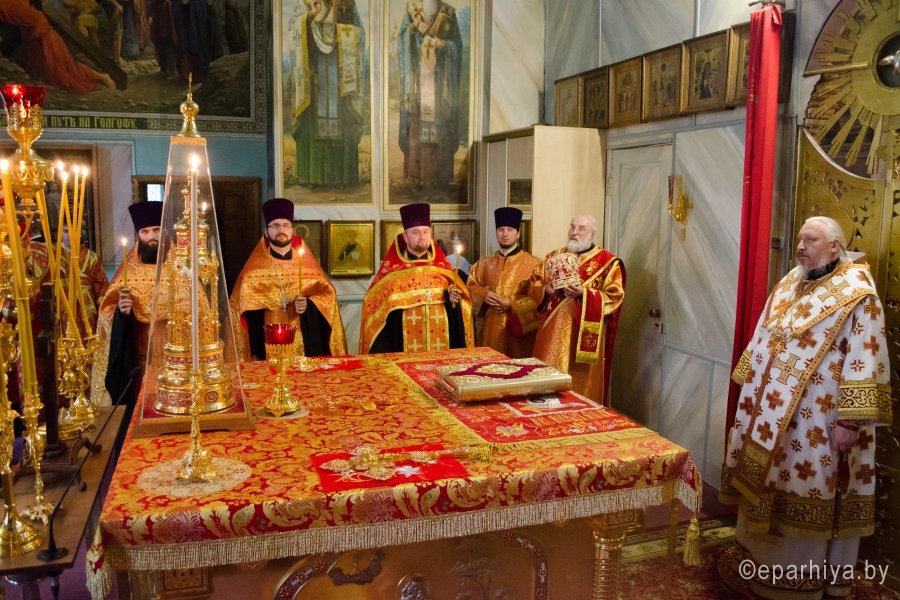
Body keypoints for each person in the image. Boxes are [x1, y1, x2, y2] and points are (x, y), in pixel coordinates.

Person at [720, 216, 891, 600]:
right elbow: (763, 333)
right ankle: (755, 560)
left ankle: (800, 579)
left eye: (810, 240)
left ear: (834, 247)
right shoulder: (790, 281)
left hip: (818, 420)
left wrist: (850, 421)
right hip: (770, 414)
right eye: (799, 239)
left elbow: (865, 355)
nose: (800, 247)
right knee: (768, 486)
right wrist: (749, 384)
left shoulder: (858, 294)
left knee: (806, 485)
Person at [229, 198, 346, 361]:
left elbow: (327, 297)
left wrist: (308, 306)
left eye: (285, 225)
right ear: (267, 231)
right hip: (267, 348)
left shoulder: (307, 266)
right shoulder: (253, 271)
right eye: (275, 225)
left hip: (305, 345)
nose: (281, 230)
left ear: (292, 230)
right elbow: (243, 311)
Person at [530, 214, 625, 405]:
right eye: (572, 227)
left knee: (581, 392)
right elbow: (534, 283)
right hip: (551, 334)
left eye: (581, 228)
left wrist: (584, 293)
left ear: (593, 233)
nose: (574, 232)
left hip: (583, 334)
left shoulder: (608, 262)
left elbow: (615, 296)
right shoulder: (553, 257)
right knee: (545, 385)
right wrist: (546, 289)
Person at [359, 202, 473, 354]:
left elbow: (458, 312)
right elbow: (375, 309)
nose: (422, 237)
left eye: (425, 232)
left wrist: (451, 298)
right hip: (403, 348)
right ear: (405, 237)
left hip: (441, 348)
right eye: (416, 232)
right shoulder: (392, 272)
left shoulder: (444, 269)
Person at [90, 201, 162, 407]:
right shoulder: (127, 273)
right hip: (141, 360)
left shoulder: (181, 268)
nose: (151, 236)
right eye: (145, 231)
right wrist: (122, 313)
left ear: (163, 231)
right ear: (138, 235)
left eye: (156, 230)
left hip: (175, 358)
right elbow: (107, 314)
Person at [288, 0, 367, 188]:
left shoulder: (346, 2)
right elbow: (293, 27)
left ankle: (342, 178)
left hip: (341, 78)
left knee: (343, 123)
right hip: (314, 79)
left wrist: (342, 32)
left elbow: (361, 33)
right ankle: (311, 177)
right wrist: (310, 17)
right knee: (312, 121)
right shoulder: (306, 2)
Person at [397, 0, 462, 186]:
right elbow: (402, 38)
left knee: (441, 126)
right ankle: (416, 175)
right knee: (416, 126)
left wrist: (443, 45)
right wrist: (412, 30)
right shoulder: (412, 9)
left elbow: (457, 46)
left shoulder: (448, 12)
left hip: (440, 84)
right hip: (418, 84)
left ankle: (440, 177)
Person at [467, 207, 541, 358]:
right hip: (489, 331)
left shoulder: (534, 264)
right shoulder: (483, 263)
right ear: (496, 233)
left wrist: (512, 304)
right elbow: (469, 288)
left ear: (518, 233)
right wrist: (483, 294)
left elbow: (539, 298)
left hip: (517, 335)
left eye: (510, 230)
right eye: (500, 230)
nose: (505, 234)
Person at [0, 0, 115, 93]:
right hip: (35, 41)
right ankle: (100, 76)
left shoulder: (10, 4)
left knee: (65, 73)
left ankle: (102, 76)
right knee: (51, 72)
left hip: (47, 40)